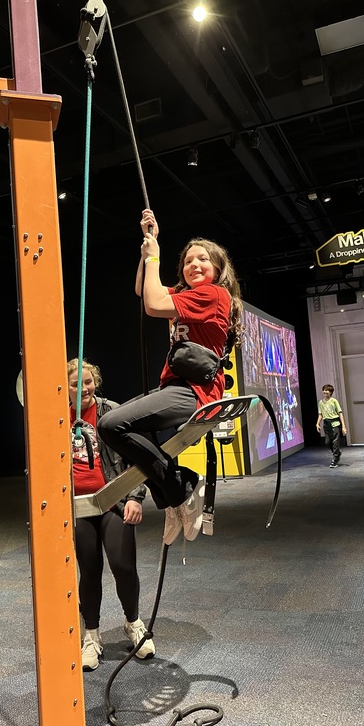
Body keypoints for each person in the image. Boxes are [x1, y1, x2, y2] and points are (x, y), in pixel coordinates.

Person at [97, 208, 243, 546]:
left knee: (110, 425)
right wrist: (149, 246)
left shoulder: (213, 294)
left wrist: (155, 256)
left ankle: (183, 486)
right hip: (176, 386)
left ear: (218, 269)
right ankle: (172, 502)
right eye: (188, 261)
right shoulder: (188, 296)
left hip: (195, 390)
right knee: (120, 427)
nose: (194, 265)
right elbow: (142, 289)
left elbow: (151, 303)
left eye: (202, 260)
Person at [68, 359, 155, 672]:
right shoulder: (55, 419)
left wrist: (135, 496)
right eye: (77, 384)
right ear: (66, 387)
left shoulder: (112, 412)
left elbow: (138, 455)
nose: (84, 389)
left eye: (88, 382)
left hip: (113, 500)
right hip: (77, 505)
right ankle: (91, 636)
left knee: (122, 565)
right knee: (89, 571)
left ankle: (133, 623)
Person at [316, 385, 347, 468]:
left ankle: (335, 460)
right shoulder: (321, 402)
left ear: (331, 392)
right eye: (324, 390)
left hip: (335, 423)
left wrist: (343, 427)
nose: (325, 392)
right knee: (327, 442)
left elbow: (340, 413)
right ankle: (337, 453)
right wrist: (317, 423)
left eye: (327, 391)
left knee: (335, 442)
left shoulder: (334, 401)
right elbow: (320, 414)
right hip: (326, 424)